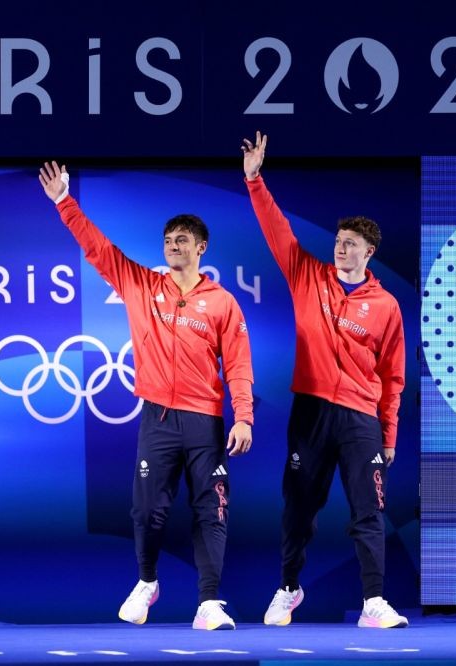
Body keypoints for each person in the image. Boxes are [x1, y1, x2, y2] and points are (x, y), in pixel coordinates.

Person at [38, 162, 254, 630]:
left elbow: (238, 364)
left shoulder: (222, 303)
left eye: (182, 241)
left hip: (205, 422)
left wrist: (244, 418)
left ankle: (210, 602)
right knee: (147, 511)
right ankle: (147, 582)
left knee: (211, 508)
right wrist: (63, 202)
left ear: (201, 248)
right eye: (168, 241)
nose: (173, 247)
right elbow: (98, 250)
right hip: (157, 418)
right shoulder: (141, 285)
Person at [240, 133, 408, 628]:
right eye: (337, 241)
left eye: (350, 244)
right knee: (298, 508)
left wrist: (389, 435)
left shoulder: (386, 307)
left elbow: (393, 377)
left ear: (369, 252)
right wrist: (254, 179)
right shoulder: (306, 275)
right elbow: (277, 230)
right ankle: (288, 589)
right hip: (311, 412)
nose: (340, 248)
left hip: (360, 419)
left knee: (368, 512)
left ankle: (373, 603)